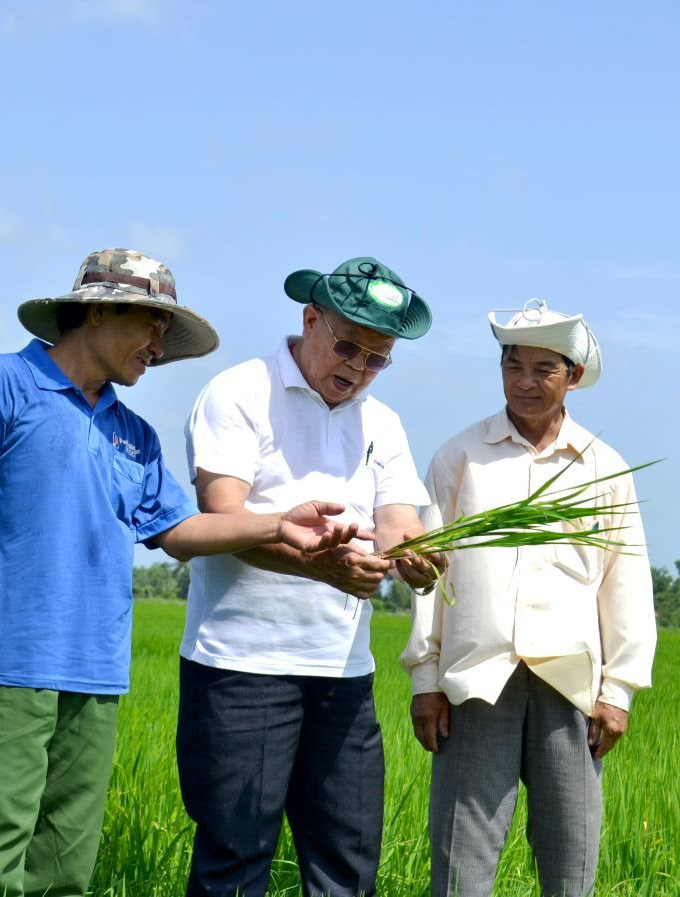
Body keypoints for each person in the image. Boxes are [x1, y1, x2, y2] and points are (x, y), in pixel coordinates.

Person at [0, 249, 360, 897]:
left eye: (164, 331)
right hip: (3, 670)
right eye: (149, 323)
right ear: (95, 311)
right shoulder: (0, 385)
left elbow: (178, 531)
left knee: (63, 872)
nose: (157, 343)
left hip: (94, 674)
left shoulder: (133, 435)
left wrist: (278, 521)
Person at [178, 256, 444, 897]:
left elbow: (400, 520)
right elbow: (225, 517)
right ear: (310, 318)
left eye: (377, 359)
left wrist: (418, 559)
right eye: (347, 347)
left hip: (342, 673)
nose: (357, 369)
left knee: (347, 862)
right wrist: (325, 567)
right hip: (241, 668)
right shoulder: (241, 392)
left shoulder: (382, 423)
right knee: (235, 861)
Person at [401, 299, 657, 897]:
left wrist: (617, 691)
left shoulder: (604, 468)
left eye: (544, 369)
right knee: (461, 865)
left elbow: (626, 584)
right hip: (475, 678)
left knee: (570, 865)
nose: (525, 382)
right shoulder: (460, 457)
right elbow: (427, 575)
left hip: (570, 685)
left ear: (572, 377)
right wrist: (425, 680)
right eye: (513, 365)